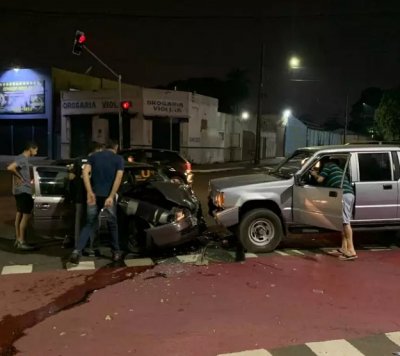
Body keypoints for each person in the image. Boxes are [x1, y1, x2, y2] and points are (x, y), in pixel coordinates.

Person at [69, 140, 124, 264]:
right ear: (116, 147)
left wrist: (89, 192)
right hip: (107, 195)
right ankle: (116, 252)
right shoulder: (118, 159)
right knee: (112, 224)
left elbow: (84, 172)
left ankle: (76, 251)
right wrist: (110, 196)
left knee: (89, 223)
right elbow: (118, 178)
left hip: (94, 195)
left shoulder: (94, 157)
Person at [310, 157, 357, 261]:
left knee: (345, 223)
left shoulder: (328, 166)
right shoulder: (339, 170)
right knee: (342, 223)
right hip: (348, 194)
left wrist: (314, 174)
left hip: (343, 195)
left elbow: (320, 180)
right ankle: (344, 248)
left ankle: (352, 251)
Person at [67, 141, 104, 251]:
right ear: (96, 150)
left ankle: (78, 246)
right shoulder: (98, 161)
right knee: (93, 221)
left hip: (80, 195)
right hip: (93, 196)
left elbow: (70, 177)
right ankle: (93, 246)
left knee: (79, 222)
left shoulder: (78, 160)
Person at [7, 142, 39, 250]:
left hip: (18, 191)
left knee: (19, 215)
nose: (36, 152)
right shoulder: (22, 158)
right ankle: (22, 241)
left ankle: (18, 239)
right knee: (25, 216)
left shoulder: (20, 158)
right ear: (31, 149)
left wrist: (22, 178)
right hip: (24, 191)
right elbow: (10, 168)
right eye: (36, 150)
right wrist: (20, 177)